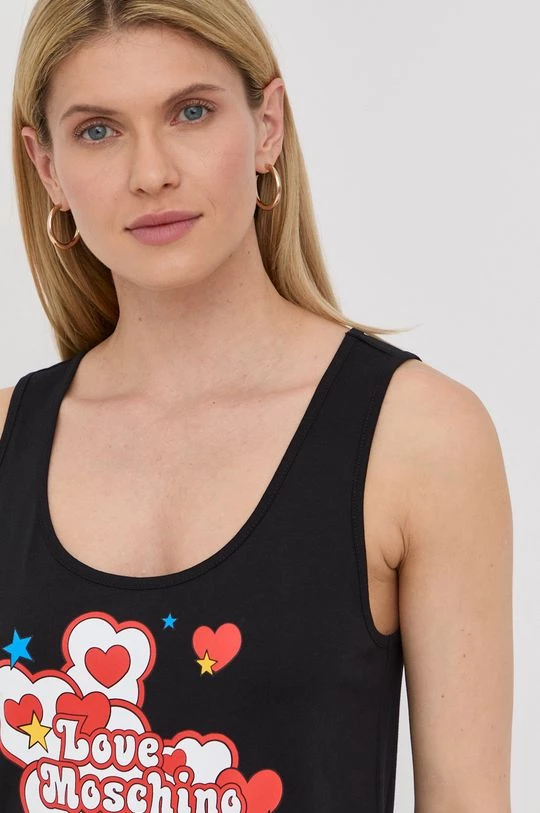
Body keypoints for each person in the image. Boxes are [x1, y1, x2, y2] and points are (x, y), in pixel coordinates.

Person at [0, 1, 513, 811]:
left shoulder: (417, 438)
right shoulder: (7, 440)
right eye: (98, 130)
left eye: (191, 112)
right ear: (48, 168)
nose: (151, 172)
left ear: (267, 124)